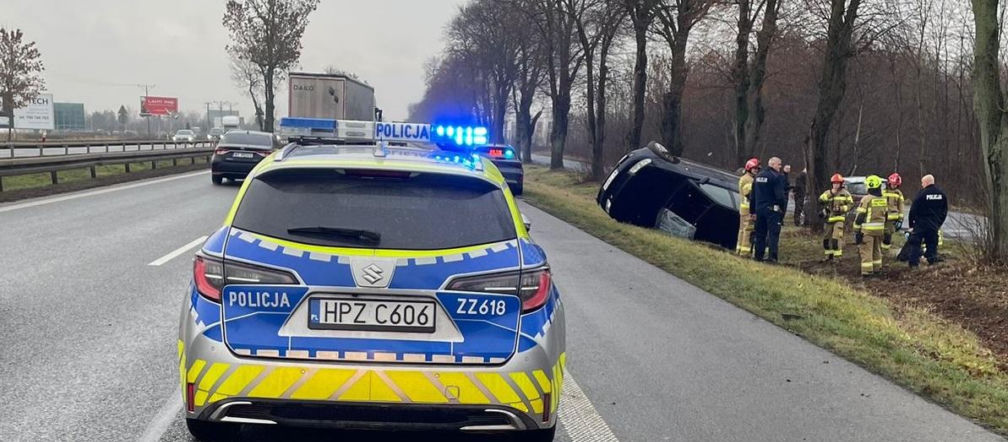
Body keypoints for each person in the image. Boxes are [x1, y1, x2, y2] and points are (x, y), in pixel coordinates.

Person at [751, 157, 788, 262]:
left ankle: (758, 256)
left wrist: (752, 211)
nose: (780, 167)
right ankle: (772, 257)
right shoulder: (776, 177)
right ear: (772, 164)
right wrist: (782, 208)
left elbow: (753, 196)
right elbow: (780, 196)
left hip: (759, 210)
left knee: (760, 234)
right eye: (779, 164)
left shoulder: (758, 176)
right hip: (772, 210)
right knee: (773, 234)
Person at [906, 174, 948, 267]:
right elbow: (944, 211)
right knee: (932, 243)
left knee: (915, 243)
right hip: (934, 224)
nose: (922, 185)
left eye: (922, 182)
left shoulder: (921, 194)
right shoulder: (941, 194)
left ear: (926, 182)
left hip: (920, 224)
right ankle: (932, 261)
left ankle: (913, 264)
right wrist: (939, 223)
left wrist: (911, 225)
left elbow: (913, 210)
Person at [853, 175, 888, 277]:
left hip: (867, 230)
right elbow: (886, 215)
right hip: (879, 229)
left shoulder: (867, 199)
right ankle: (877, 269)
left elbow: (860, 216)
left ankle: (867, 272)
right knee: (876, 249)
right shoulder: (883, 199)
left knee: (866, 251)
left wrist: (856, 229)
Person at [818, 173, 853, 261]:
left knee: (836, 238)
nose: (836, 185)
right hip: (829, 219)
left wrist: (841, 208)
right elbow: (821, 200)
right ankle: (828, 256)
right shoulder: (828, 192)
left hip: (839, 219)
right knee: (826, 239)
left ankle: (837, 257)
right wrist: (831, 193)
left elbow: (850, 205)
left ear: (841, 184)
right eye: (834, 183)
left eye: (837, 183)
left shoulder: (845, 194)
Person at [736, 158, 760, 256]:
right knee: (748, 231)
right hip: (749, 210)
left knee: (742, 230)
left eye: (757, 169)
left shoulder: (745, 178)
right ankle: (745, 253)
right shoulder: (748, 179)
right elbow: (750, 194)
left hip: (744, 210)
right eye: (754, 168)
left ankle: (739, 249)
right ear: (749, 168)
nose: (756, 170)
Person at [882, 173, 905, 251]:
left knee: (888, 234)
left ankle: (885, 250)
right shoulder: (883, 191)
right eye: (893, 184)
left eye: (896, 185)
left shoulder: (898, 193)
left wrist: (900, 219)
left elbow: (901, 206)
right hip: (882, 216)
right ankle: (880, 250)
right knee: (880, 233)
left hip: (892, 218)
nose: (894, 186)